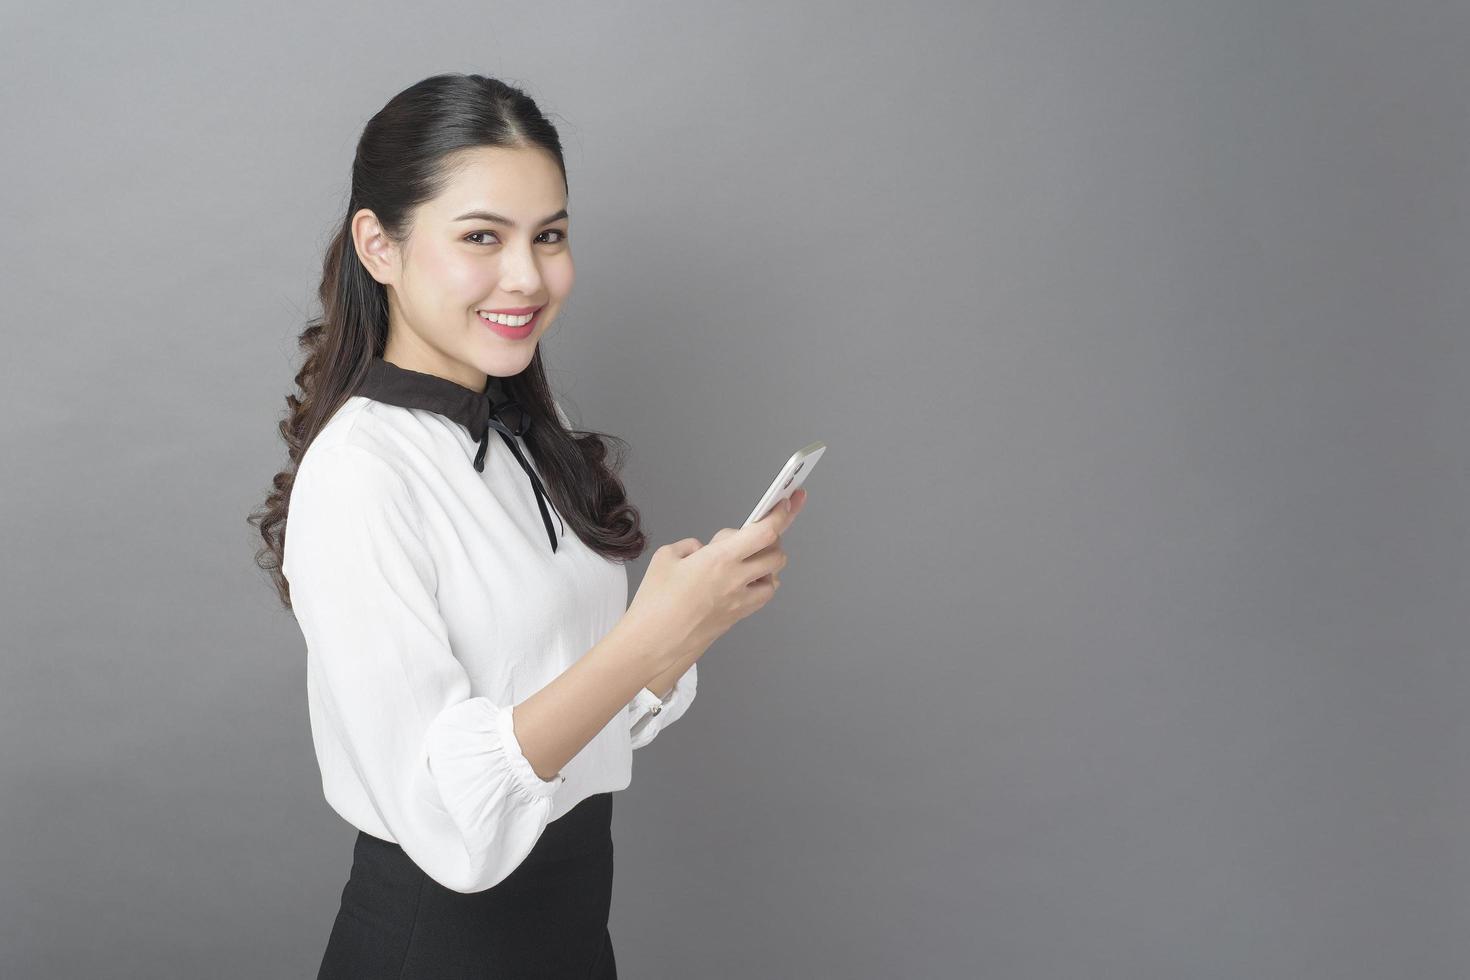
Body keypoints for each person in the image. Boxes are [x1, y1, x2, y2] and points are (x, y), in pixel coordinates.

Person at [246, 73, 807, 978]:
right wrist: (645, 640)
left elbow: (561, 715)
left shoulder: (518, 440)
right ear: (378, 246)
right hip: (442, 951)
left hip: (573, 939)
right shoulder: (361, 473)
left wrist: (683, 633)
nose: (528, 277)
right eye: (481, 237)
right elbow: (447, 813)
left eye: (550, 236)